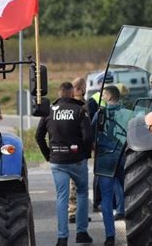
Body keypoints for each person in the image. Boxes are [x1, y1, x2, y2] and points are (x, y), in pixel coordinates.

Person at [35, 82, 94, 246]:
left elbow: (38, 136)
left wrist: (48, 155)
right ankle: (81, 233)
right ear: (70, 93)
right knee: (82, 193)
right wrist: (86, 153)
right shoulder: (80, 110)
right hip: (77, 160)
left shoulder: (49, 111)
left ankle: (62, 238)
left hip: (57, 161)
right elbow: (88, 136)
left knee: (62, 197)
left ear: (60, 93)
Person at [94, 85, 131, 246]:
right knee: (132, 194)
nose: (102, 98)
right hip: (125, 158)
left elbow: (91, 132)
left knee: (107, 199)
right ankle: (134, 230)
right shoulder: (129, 114)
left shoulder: (100, 114)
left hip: (106, 159)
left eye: (104, 95)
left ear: (109, 97)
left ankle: (110, 236)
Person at [87, 71, 114, 212]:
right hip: (106, 140)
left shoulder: (93, 99)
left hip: (103, 140)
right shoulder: (94, 101)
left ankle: (100, 202)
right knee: (103, 172)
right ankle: (99, 201)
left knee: (102, 172)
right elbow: (91, 124)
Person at [68, 77, 87, 224]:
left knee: (71, 184)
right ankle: (76, 212)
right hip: (79, 149)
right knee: (80, 185)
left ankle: (72, 211)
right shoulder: (82, 105)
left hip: (66, 148)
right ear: (80, 88)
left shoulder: (66, 103)